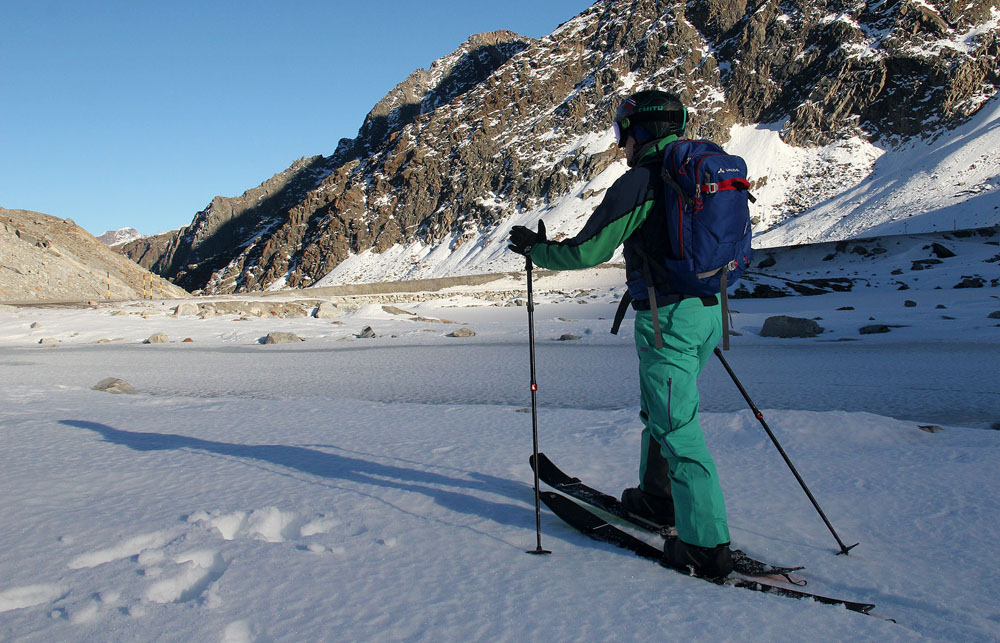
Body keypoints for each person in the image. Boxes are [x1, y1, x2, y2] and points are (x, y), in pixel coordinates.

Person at [508, 89, 733, 580]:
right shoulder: (704, 172)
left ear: (641, 131)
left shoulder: (643, 182)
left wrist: (538, 251)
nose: (620, 143)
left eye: (622, 133)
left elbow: (588, 253)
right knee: (663, 411)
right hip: (709, 312)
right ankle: (657, 499)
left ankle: (705, 545)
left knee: (677, 428)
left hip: (668, 320)